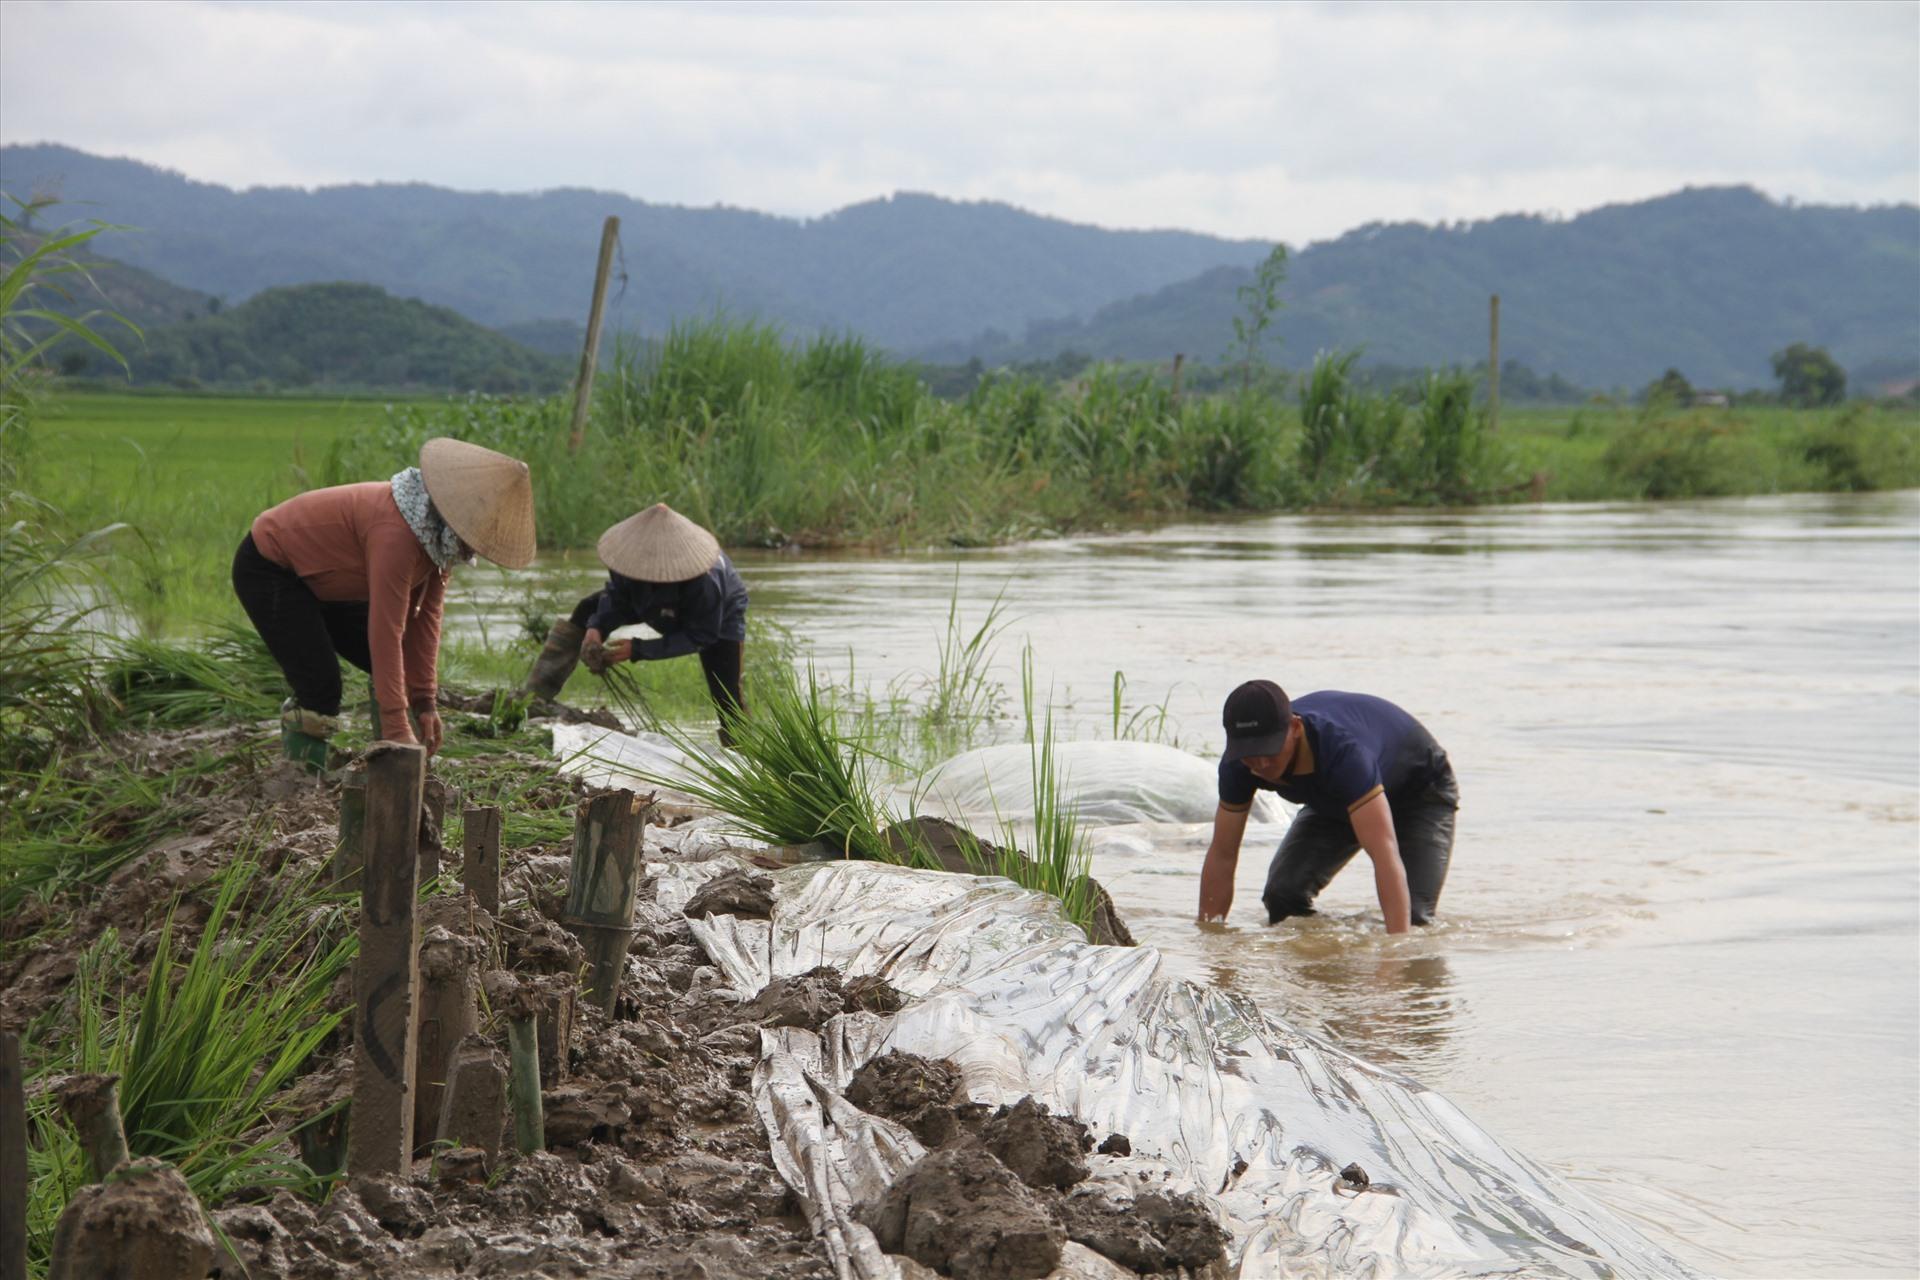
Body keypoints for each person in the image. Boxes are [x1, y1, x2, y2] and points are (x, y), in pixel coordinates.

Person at [232, 437, 536, 763]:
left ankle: (387, 760)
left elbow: (425, 620)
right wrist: (397, 728)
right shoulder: (397, 533)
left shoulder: (436, 540)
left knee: (399, 667)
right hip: (272, 568)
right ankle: (303, 778)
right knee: (321, 686)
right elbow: (386, 629)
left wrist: (424, 702)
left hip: (328, 582)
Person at [1199, 680, 1458, 935]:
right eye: (1249, 753)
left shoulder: (1344, 754)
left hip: (1420, 792)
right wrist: (1210, 942)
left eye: (1270, 750)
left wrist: (1393, 960)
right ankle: (1327, 963)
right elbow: (1223, 853)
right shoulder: (1238, 767)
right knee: (1283, 896)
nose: (1262, 764)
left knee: (1411, 919)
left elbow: (1384, 855)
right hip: (1336, 798)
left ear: (1295, 727)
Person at [521, 503, 749, 741]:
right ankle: (536, 696)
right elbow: (617, 596)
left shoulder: (706, 584)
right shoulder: (627, 560)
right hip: (645, 599)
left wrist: (638, 649)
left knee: (726, 695)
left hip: (717, 614)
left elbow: (702, 635)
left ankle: (741, 753)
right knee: (588, 609)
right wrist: (596, 627)